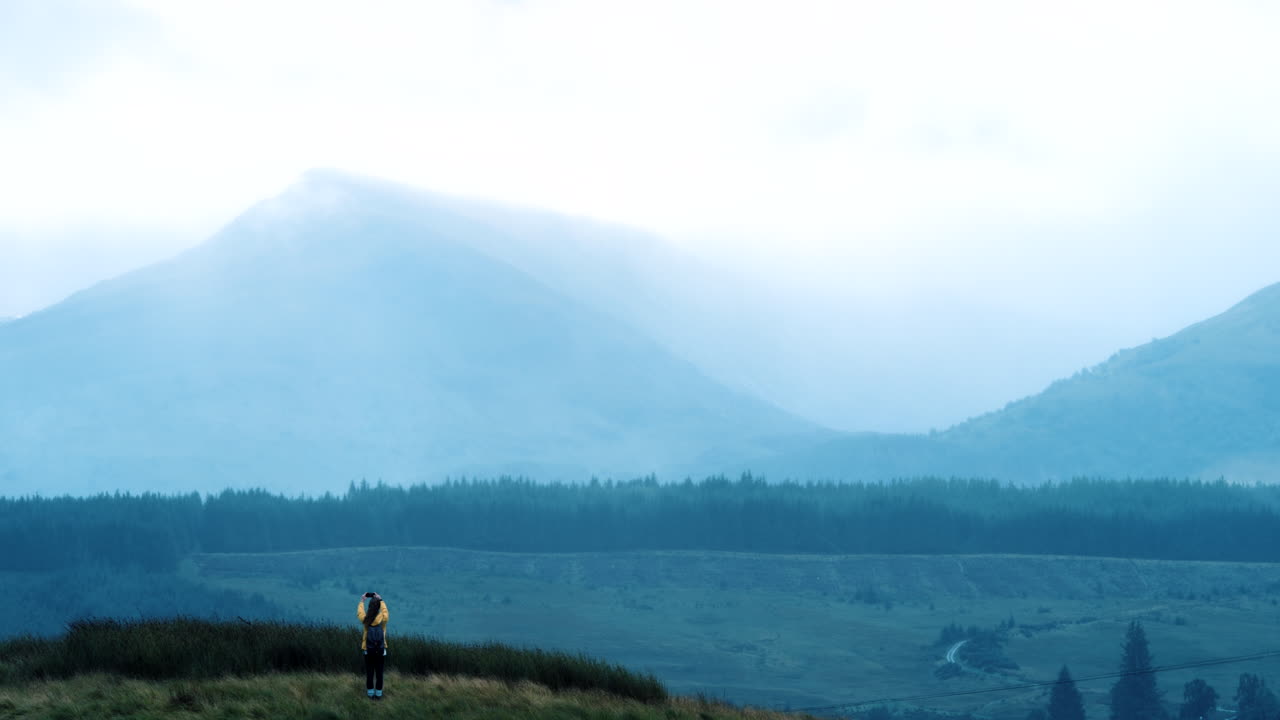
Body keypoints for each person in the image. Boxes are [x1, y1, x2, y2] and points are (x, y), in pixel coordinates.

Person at [357, 592, 389, 700]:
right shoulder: (383, 618)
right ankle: (378, 696)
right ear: (379, 606)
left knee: (370, 673)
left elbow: (359, 612)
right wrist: (381, 600)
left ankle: (370, 695)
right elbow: (385, 612)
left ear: (370, 607)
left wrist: (362, 600)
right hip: (381, 650)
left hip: (368, 650)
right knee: (379, 674)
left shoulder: (366, 619)